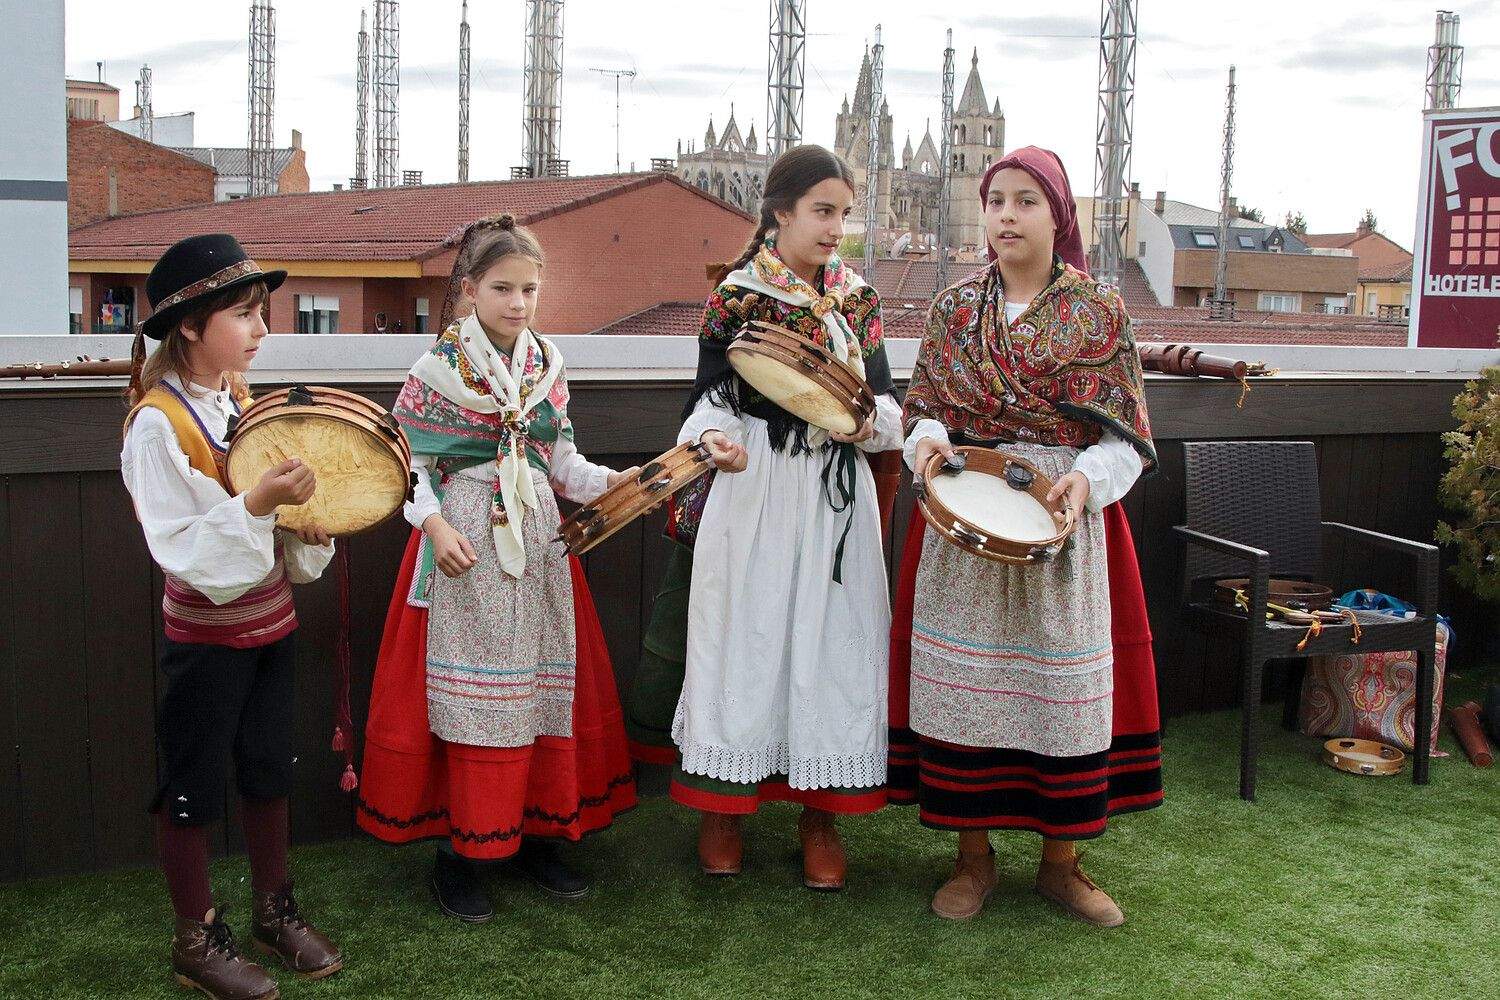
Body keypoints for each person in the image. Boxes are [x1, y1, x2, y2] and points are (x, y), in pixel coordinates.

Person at [889, 147, 1163, 925]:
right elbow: (923, 413)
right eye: (996, 200)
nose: (1006, 215)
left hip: (1059, 524)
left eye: (1026, 201)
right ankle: (971, 860)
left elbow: (1125, 438)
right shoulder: (953, 311)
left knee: (1059, 692)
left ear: (1058, 214)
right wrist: (928, 448)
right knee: (966, 690)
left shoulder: (1099, 312)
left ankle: (1061, 865)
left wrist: (1086, 481)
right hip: (966, 521)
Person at [356, 214, 637, 922]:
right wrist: (436, 526)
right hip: (465, 548)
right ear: (469, 291)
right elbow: (409, 469)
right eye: (503, 288)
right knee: (470, 701)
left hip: (537, 547)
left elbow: (560, 464)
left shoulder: (547, 369)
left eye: (529, 289)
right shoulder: (436, 373)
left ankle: (539, 833)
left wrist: (612, 484)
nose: (518, 302)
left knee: (538, 692)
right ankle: (460, 853)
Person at [665, 144, 903, 891]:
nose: (836, 228)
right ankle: (723, 807)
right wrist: (715, 440)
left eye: (844, 214)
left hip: (833, 496)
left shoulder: (858, 301)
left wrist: (866, 425)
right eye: (822, 211)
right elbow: (708, 401)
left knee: (832, 644)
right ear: (780, 213)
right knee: (746, 634)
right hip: (757, 485)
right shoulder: (737, 299)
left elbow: (886, 405)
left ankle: (819, 815)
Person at [121, 234, 342, 999]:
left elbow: (264, 524)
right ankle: (195, 937)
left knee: (268, 765)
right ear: (189, 325)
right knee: (191, 782)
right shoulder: (158, 424)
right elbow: (182, 546)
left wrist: (303, 523)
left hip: (271, 622)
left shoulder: (238, 401)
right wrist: (261, 503)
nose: (261, 329)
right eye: (244, 314)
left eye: (261, 313)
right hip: (206, 640)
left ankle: (273, 913)